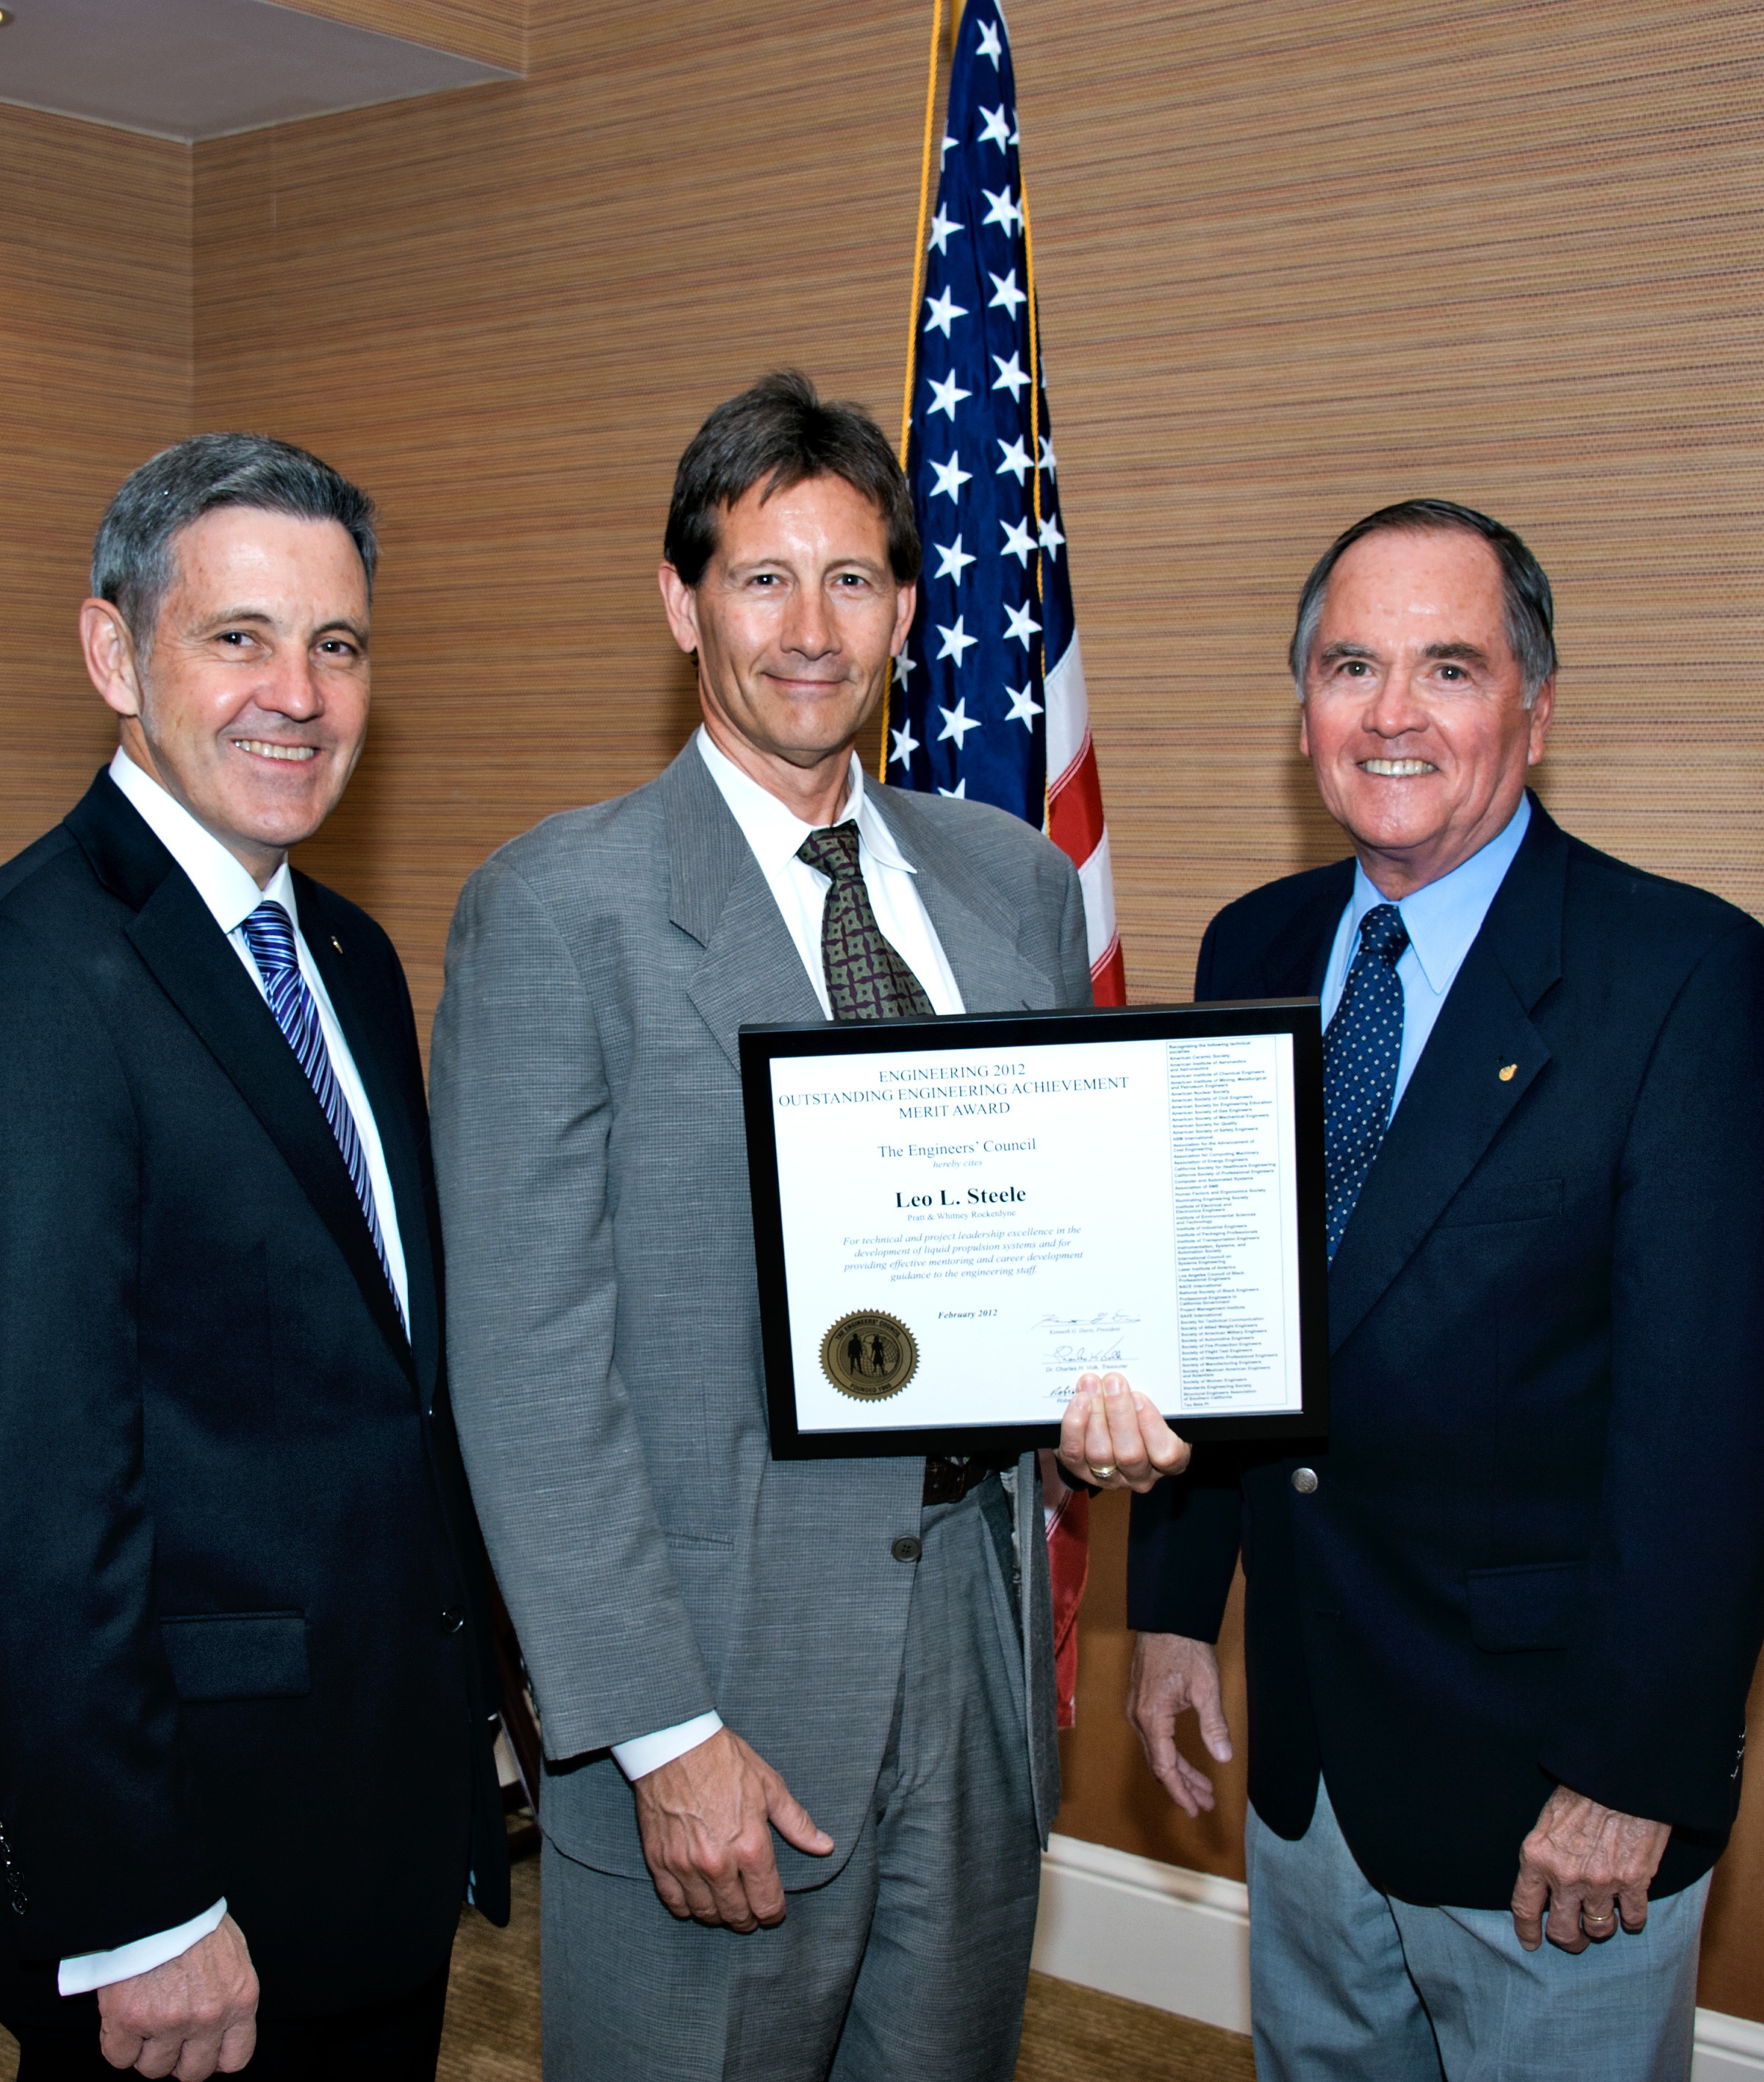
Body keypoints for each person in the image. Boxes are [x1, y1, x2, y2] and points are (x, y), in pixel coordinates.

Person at [429, 371, 1182, 2082]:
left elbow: (1053, 1242)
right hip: (717, 1687)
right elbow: (531, 1369)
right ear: (682, 602)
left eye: (852, 580)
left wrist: (1102, 1409)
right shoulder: (559, 909)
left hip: (977, 1677)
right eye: (762, 578)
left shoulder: (1013, 888)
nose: (810, 629)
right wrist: (658, 1729)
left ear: (910, 608)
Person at [1125, 498, 1764, 2082]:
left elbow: (1712, 1423)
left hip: (1553, 1796)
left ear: (1534, 711)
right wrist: (1172, 1611)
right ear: (1305, 713)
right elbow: (1228, 1306)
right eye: (1352, 667)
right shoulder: (1251, 943)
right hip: (1311, 1766)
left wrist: (1636, 1770)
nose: (1393, 715)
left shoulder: (1684, 978)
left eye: (1449, 670)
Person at [0, 435, 509, 2081]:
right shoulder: (37, 971)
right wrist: (140, 1903)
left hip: (370, 1822)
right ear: (113, 652)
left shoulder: (346, 954)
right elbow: (37, 1496)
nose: (297, 692)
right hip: (187, 1876)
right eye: (238, 637)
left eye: (338, 645)